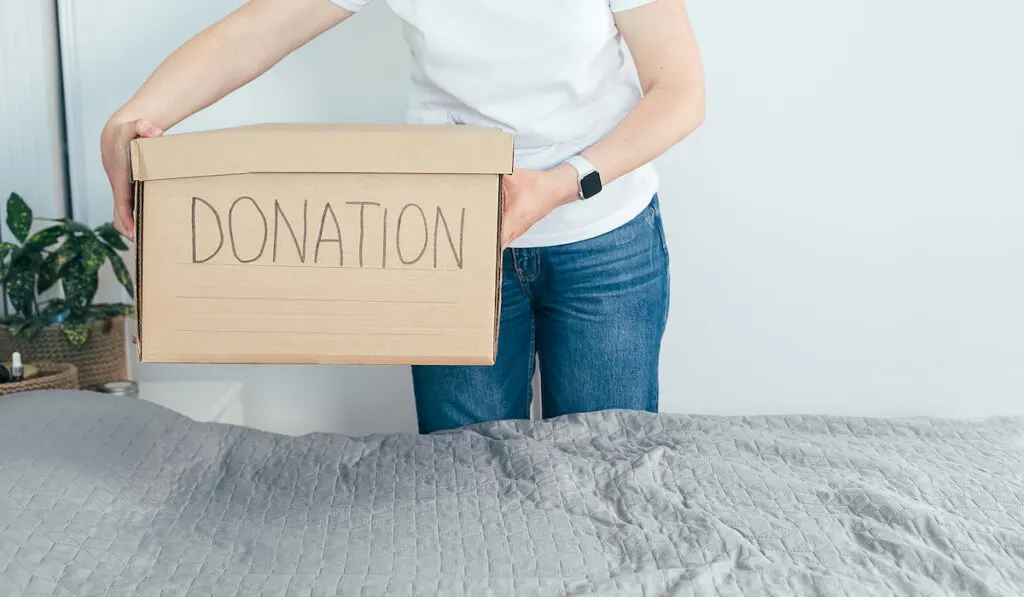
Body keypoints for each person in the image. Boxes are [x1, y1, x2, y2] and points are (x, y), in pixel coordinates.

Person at [102, 0, 705, 434]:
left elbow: (678, 89)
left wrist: (561, 183)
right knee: (462, 480)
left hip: (603, 238)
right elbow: (250, 34)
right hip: (453, 243)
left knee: (607, 467)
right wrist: (132, 117)